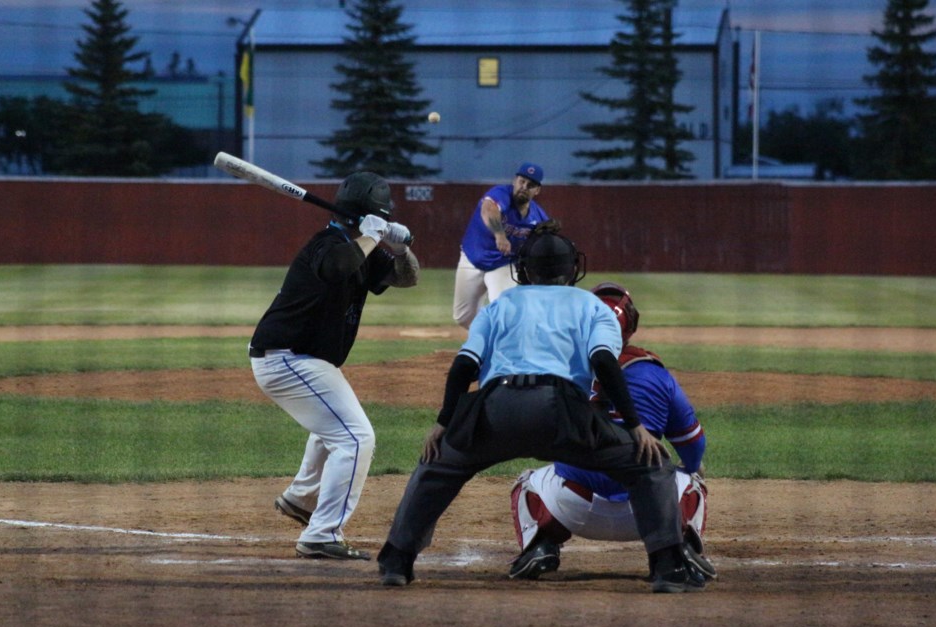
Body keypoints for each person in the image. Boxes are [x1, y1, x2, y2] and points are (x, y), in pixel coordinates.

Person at [377, 222, 705, 593]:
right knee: (652, 464)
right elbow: (604, 363)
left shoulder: (501, 305)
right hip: (562, 413)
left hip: (495, 409)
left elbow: (464, 367)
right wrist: (634, 425)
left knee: (436, 465)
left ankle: (396, 561)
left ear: (524, 269)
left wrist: (443, 423)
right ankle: (667, 568)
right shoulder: (590, 306)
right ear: (573, 268)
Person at [249, 171, 419, 561]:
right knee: (357, 438)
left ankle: (301, 499)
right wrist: (374, 235)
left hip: (305, 360)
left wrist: (401, 247)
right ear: (370, 214)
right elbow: (340, 266)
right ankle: (322, 534)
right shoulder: (328, 244)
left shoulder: (361, 245)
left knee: (335, 426)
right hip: (286, 357)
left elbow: (408, 279)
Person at [508, 282, 716, 582]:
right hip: (650, 510)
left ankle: (539, 547)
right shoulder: (655, 374)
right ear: (631, 325)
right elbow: (694, 445)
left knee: (527, 481)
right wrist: (692, 467)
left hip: (571, 505)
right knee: (693, 480)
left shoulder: (560, 368)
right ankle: (681, 550)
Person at [452, 162, 549, 329]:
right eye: (521, 181)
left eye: (530, 185)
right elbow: (488, 209)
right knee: (463, 317)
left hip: (503, 264)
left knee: (504, 311)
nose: (524, 187)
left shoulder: (538, 216)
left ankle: (503, 345)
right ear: (514, 181)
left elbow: (543, 244)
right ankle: (486, 334)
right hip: (472, 259)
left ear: (537, 190)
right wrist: (499, 234)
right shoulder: (500, 194)